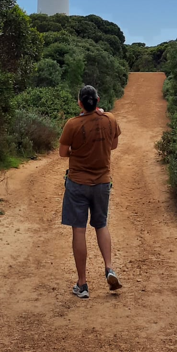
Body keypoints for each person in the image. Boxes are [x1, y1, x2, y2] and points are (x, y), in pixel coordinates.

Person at [59, 84, 122, 299]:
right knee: (101, 224)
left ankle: (83, 284)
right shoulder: (110, 120)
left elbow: (62, 152)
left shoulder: (72, 124)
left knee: (79, 229)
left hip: (77, 183)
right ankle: (109, 268)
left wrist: (77, 149)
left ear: (79, 103)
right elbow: (113, 145)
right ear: (97, 100)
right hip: (102, 183)